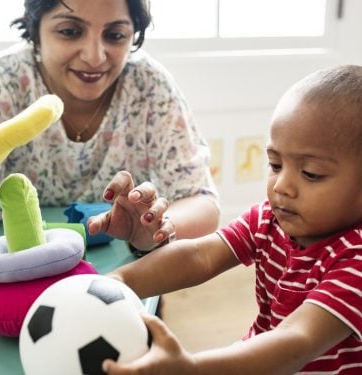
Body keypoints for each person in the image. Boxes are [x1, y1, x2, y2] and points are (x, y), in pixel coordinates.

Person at [96, 65, 362, 374]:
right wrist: (118, 281)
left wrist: (192, 368)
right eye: (275, 164)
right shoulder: (267, 219)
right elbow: (200, 256)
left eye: (311, 173)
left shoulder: (356, 259)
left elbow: (298, 339)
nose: (281, 186)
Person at [0, 0, 219, 249]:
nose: (94, 57)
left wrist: (157, 227)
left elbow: (202, 202)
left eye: (115, 35)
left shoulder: (148, 85)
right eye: (70, 32)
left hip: (125, 266)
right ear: (35, 29)